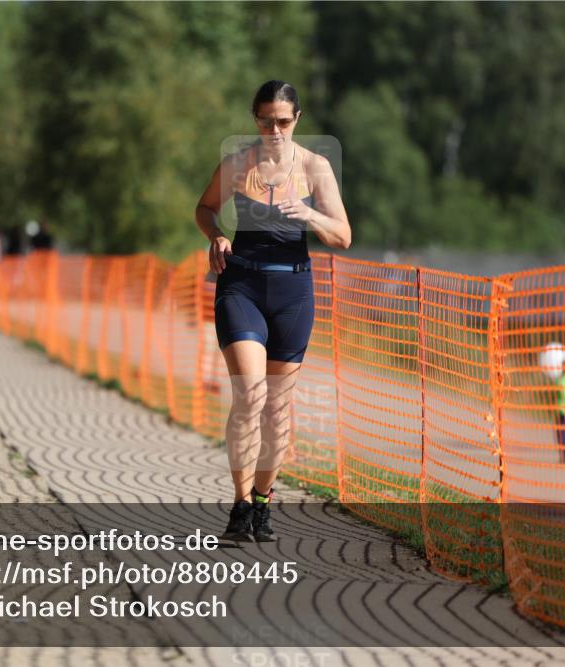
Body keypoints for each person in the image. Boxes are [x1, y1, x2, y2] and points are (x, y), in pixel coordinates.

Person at [195, 80, 351, 542]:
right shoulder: (237, 163)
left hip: (292, 291)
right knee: (250, 396)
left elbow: (343, 236)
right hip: (241, 283)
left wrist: (309, 217)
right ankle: (240, 504)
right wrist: (217, 235)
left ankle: (264, 502)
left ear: (297, 119)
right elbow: (204, 209)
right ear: (255, 119)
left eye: (283, 121)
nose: (275, 130)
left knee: (277, 409)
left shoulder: (316, 167)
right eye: (266, 120)